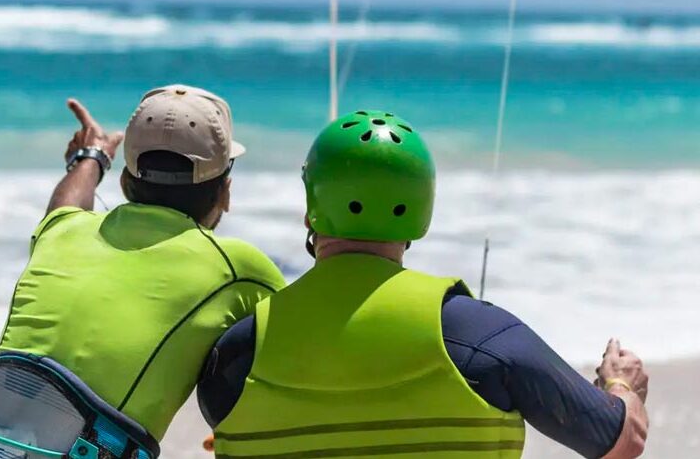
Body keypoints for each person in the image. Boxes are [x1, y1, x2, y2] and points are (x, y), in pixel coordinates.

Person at [198, 110, 649, 459]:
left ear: (310, 209)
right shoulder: (482, 335)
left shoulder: (237, 353)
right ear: (421, 212)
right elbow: (617, 441)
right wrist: (621, 386)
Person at [0, 85, 285, 459]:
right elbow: (313, 328)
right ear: (225, 191)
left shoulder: (62, 233)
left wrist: (92, 157)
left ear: (124, 180)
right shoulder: (238, 270)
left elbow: (65, 206)